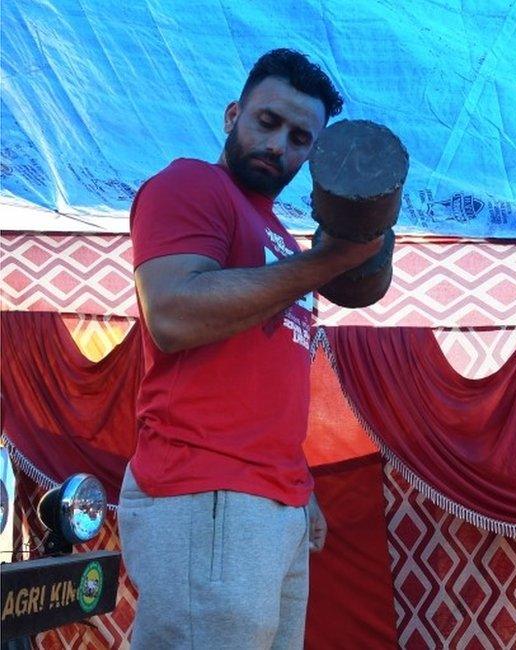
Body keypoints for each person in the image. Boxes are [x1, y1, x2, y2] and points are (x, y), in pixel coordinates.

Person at [117, 49, 383, 649]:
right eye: (267, 122)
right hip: (204, 488)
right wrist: (328, 262)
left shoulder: (283, 240)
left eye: (299, 137)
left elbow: (265, 379)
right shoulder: (190, 184)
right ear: (233, 114)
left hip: (272, 501)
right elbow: (173, 314)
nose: (279, 145)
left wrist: (299, 487)